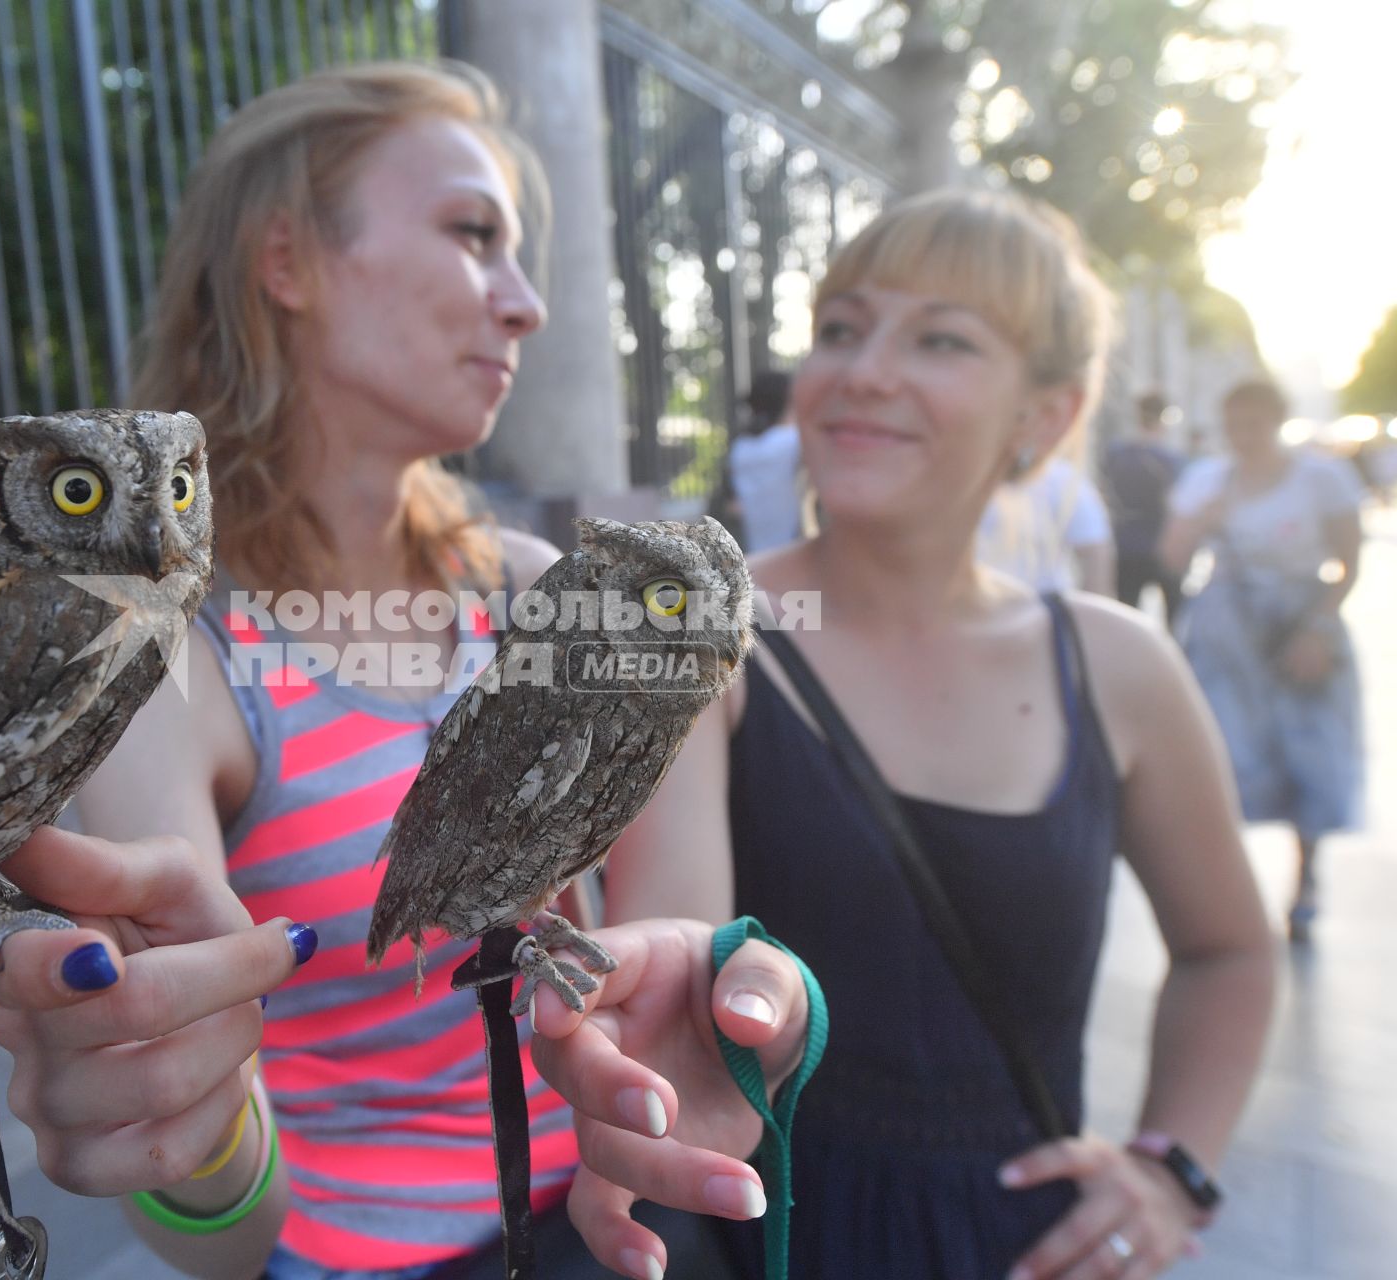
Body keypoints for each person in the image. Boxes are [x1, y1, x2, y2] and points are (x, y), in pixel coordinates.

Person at [0, 62, 796, 1280]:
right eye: (474, 234)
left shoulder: (549, 594)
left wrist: (717, 1015)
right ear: (287, 260)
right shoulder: (172, 656)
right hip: (349, 1255)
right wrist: (186, 1131)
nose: (523, 305)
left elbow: (682, 934)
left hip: (618, 1224)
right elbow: (220, 1221)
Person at [543, 189, 1277, 1279]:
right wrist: (678, 1023)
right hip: (769, 1230)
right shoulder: (700, 642)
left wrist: (1173, 1169)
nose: (863, 369)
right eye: (842, 327)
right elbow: (683, 953)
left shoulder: (1118, 665)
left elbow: (1231, 950)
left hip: (1025, 1241)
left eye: (940, 338)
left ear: (1044, 413)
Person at [1160, 379, 1367, 942]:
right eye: (1234, 424)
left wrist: (1319, 628)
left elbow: (1349, 561)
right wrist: (1203, 519)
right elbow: (1173, 557)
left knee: (1309, 753)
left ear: (1276, 420)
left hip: (1300, 622)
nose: (1242, 436)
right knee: (1224, 753)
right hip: (1228, 632)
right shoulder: (1206, 480)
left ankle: (1307, 876)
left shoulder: (1321, 478)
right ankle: (1229, 885)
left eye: (1253, 423)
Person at [977, 448, 1116, 594]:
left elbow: (1094, 552)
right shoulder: (1065, 478)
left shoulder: (1063, 479)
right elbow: (1095, 552)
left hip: (1041, 604)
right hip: (1034, 603)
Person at [1102, 393, 1187, 627]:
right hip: (1161, 547)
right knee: (1176, 624)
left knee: (1127, 624)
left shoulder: (1116, 453)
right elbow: (1176, 506)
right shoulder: (1170, 459)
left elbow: (1106, 496)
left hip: (1125, 545)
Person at [722, 370, 803, 553]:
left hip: (750, 553)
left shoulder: (740, 446)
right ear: (788, 402)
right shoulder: (792, 442)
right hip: (791, 550)